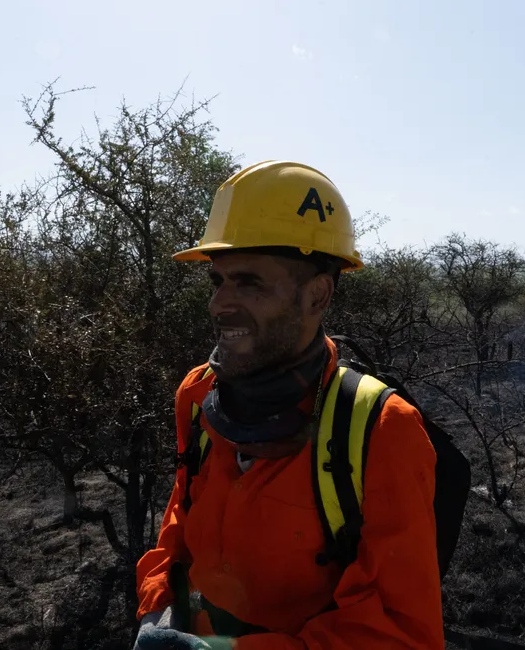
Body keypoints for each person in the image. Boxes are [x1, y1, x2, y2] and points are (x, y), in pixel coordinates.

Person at [132, 161, 444, 650]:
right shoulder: (197, 395)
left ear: (317, 294)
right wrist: (157, 608)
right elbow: (179, 522)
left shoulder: (380, 430)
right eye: (218, 281)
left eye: (250, 283)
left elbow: (402, 633)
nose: (220, 304)